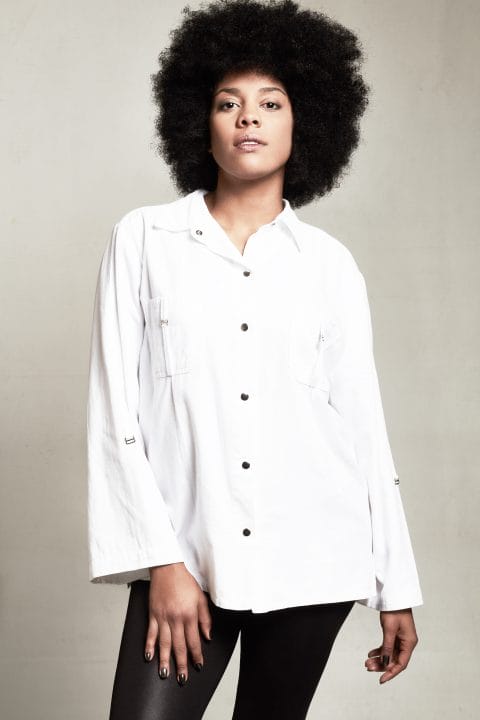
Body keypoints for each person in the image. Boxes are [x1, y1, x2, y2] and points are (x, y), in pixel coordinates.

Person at [86, 1, 424, 718]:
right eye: (227, 102)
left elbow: (362, 429)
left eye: (271, 103)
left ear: (305, 124)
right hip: (188, 559)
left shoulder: (330, 266)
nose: (248, 118)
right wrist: (163, 563)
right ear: (199, 123)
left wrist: (397, 585)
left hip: (313, 560)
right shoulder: (143, 241)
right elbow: (116, 418)